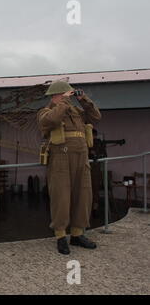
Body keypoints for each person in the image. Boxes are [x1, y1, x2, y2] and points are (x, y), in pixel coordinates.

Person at [37, 81, 101, 255]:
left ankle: (77, 234)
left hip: (82, 158)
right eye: (68, 94)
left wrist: (83, 99)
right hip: (60, 159)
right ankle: (60, 236)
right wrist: (63, 102)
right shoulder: (46, 112)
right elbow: (52, 120)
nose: (71, 97)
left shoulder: (76, 111)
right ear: (58, 94)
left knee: (83, 195)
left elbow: (95, 116)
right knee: (61, 198)